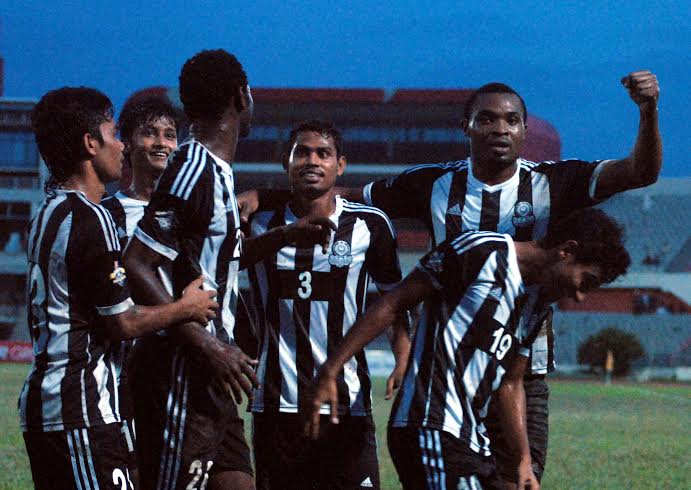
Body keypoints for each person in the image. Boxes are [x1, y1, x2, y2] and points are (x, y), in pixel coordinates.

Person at [238, 69, 662, 485]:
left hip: (519, 367)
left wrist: (648, 111)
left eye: (512, 120)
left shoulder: (553, 182)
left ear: (524, 130)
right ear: (467, 127)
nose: (500, 128)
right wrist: (267, 196)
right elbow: (338, 195)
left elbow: (639, 172)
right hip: (444, 376)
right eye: (487, 119)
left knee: (519, 479)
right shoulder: (434, 185)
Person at [123, 50, 333, 489]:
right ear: (242, 96)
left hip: (214, 369)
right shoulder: (192, 168)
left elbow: (213, 261)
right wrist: (206, 344)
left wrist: (281, 238)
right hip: (182, 366)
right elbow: (138, 263)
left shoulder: (216, 173)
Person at [306, 208, 631, 489]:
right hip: (429, 425)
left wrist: (522, 460)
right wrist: (332, 368)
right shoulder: (479, 251)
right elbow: (394, 302)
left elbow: (511, 382)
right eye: (585, 282)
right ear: (566, 251)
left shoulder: (536, 305)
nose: (580, 297)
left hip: (473, 441)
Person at [18, 86, 218, 489]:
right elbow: (123, 322)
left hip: (55, 406)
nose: (123, 146)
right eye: (114, 134)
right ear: (90, 144)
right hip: (80, 408)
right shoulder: (93, 218)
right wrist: (188, 307)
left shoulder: (50, 212)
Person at [245, 121, 408, 490]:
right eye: (301, 152)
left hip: (346, 404)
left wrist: (403, 352)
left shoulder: (369, 225)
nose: (311, 161)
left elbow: (395, 297)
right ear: (285, 163)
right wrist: (259, 196)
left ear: (341, 165)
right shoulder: (256, 221)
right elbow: (226, 261)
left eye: (323, 153)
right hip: (277, 404)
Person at [101, 92, 180, 486]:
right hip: (124, 371)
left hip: (181, 365)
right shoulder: (107, 215)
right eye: (150, 133)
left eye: (169, 134)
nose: (161, 143)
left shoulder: (189, 213)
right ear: (127, 142)